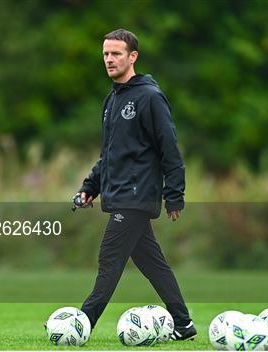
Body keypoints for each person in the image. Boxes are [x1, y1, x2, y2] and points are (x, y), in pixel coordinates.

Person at [75, 28, 196, 341]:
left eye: (116, 53)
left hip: (136, 195)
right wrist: (90, 187)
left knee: (109, 259)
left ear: (133, 57)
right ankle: (184, 325)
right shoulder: (111, 100)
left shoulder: (150, 97)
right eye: (106, 54)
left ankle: (80, 324)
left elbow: (170, 148)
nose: (110, 59)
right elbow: (110, 154)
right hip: (119, 195)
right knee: (153, 264)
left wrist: (175, 196)